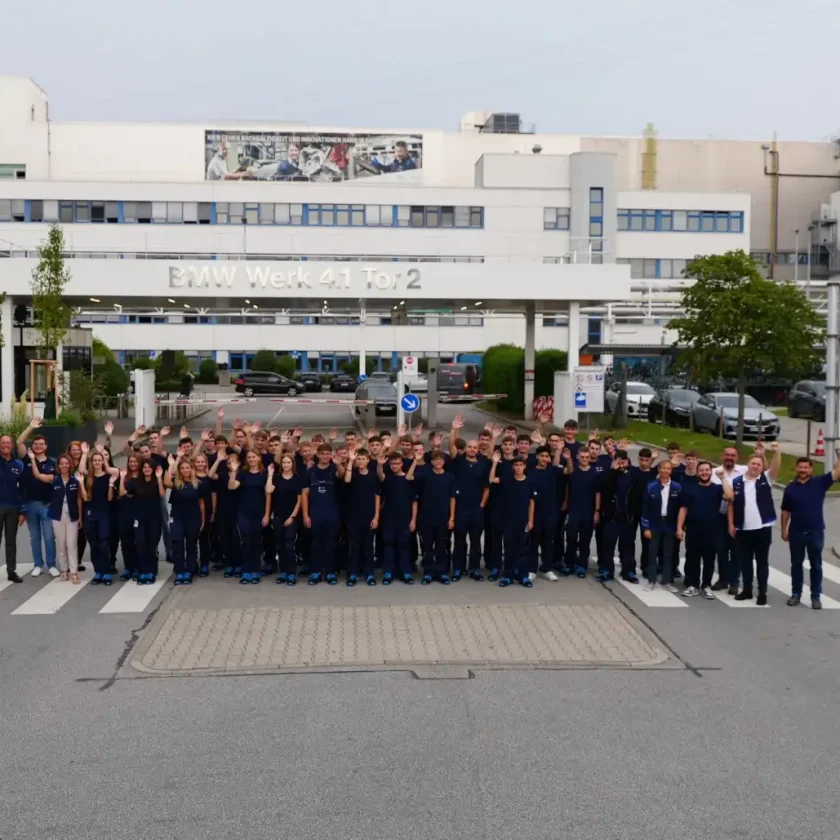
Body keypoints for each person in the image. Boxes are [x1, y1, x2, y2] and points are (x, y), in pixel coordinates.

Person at [780, 452, 840, 609]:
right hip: (796, 532)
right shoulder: (790, 488)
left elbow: (837, 472)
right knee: (796, 564)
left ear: (811, 469)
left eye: (806, 467)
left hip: (815, 532)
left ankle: (815, 596)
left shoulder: (820, 483)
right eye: (800, 467)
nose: (803, 469)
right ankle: (795, 594)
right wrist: (783, 530)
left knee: (816, 565)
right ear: (796, 468)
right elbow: (785, 510)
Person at [728, 443, 782, 605]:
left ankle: (762, 592)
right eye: (753, 463)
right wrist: (731, 524)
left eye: (759, 464)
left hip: (762, 528)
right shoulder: (737, 482)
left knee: (762, 561)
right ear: (748, 465)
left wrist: (776, 452)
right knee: (745, 561)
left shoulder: (765, 479)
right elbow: (731, 503)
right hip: (743, 528)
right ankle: (747, 590)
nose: (756, 466)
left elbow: (775, 467)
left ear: (761, 467)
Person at [676, 462, 732, 598]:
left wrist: (723, 478)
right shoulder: (690, 489)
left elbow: (729, 496)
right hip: (693, 530)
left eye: (707, 470)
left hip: (712, 530)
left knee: (709, 559)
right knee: (692, 558)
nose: (704, 472)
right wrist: (679, 528)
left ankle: (706, 585)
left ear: (711, 472)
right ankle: (693, 585)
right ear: (697, 472)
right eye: (701, 470)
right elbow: (683, 509)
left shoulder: (717, 488)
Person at [449, 416, 491, 581]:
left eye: (475, 447)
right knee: (459, 541)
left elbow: (487, 488)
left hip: (476, 510)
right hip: (460, 508)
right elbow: (452, 445)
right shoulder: (458, 461)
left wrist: (481, 506)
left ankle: (475, 569)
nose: (473, 449)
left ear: (478, 449)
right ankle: (458, 568)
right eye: (470, 447)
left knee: (475, 541)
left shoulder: (482, 466)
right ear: (466, 449)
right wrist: (454, 429)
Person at [29, 452, 81, 584]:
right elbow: (37, 475)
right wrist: (32, 459)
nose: (64, 466)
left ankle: (73, 572)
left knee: (72, 544)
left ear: (70, 465)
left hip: (72, 516)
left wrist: (80, 517)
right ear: (58, 465)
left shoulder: (76, 480)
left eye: (66, 463)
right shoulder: (54, 479)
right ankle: (64, 570)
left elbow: (79, 499)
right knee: (61, 543)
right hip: (57, 515)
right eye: (61, 463)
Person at [16, 418, 57, 577]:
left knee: (48, 537)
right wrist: (30, 427)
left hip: (47, 505)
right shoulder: (26, 459)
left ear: (46, 447)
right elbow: (19, 442)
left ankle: (51, 565)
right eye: (35, 444)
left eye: (41, 444)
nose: (38, 446)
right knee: (34, 538)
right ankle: (38, 564)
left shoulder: (53, 463)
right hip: (30, 504)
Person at [408, 450, 455, 585]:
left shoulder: (449, 477)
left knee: (441, 547)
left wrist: (451, 518)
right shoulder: (424, 475)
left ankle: (441, 572)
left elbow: (452, 499)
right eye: (435, 459)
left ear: (444, 462)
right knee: (427, 547)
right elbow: (409, 477)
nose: (438, 461)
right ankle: (428, 572)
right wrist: (415, 461)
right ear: (432, 462)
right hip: (426, 518)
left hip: (443, 518)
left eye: (441, 459)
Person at [301, 443, 346, 585]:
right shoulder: (310, 471)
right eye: (323, 454)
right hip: (315, 513)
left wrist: (338, 463)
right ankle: (315, 572)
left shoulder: (334, 468)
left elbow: (342, 474)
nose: (325, 456)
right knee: (315, 543)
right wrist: (305, 515)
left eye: (328, 454)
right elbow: (304, 494)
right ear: (318, 455)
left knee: (331, 543)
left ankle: (330, 572)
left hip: (332, 512)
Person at [489, 452, 534, 587]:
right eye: (516, 465)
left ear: (524, 466)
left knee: (523, 549)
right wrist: (495, 463)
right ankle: (508, 575)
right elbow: (492, 479)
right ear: (513, 467)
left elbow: (532, 502)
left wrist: (531, 520)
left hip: (523, 520)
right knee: (508, 548)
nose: (518, 467)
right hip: (508, 520)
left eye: (521, 465)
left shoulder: (529, 482)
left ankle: (523, 575)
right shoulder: (507, 479)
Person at [226, 450, 269, 585]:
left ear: (259, 458)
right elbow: (231, 487)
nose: (251, 459)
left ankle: (255, 570)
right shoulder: (242, 473)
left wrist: (267, 514)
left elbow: (268, 494)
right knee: (245, 541)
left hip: (259, 513)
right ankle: (246, 571)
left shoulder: (264, 473)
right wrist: (233, 472)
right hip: (244, 512)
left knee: (256, 542)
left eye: (254, 457)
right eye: (249, 457)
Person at [79, 447, 119, 585]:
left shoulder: (109, 476)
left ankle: (106, 572)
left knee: (104, 544)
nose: (97, 462)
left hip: (104, 514)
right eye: (94, 460)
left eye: (99, 460)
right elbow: (85, 498)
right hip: (90, 513)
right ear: (92, 462)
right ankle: (98, 572)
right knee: (94, 545)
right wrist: (81, 484)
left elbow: (109, 498)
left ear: (103, 461)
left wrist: (110, 485)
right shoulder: (87, 478)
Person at [711, 446, 748, 593]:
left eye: (732, 455)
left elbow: (764, 472)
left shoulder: (744, 471)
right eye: (727, 455)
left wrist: (762, 456)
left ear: (737, 458)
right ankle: (723, 579)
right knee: (721, 550)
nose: (729, 458)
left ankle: (734, 582)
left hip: (738, 517)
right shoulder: (714, 473)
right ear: (722, 456)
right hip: (719, 516)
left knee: (736, 550)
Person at [641, 460, 682, 592]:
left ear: (671, 471)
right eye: (663, 468)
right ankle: (651, 580)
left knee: (668, 553)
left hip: (669, 524)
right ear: (658, 469)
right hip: (655, 523)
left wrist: (679, 527)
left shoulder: (677, 487)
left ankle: (666, 581)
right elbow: (645, 508)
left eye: (668, 468)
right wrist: (646, 527)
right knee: (652, 552)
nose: (665, 471)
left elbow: (680, 509)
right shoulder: (651, 486)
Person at [165, 452, 206, 585]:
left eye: (188, 468)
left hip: (193, 518)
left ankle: (190, 570)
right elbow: (166, 481)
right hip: (177, 518)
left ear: (192, 469)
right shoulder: (177, 483)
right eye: (182, 468)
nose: (185, 470)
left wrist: (203, 520)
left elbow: (201, 504)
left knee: (191, 544)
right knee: (177, 544)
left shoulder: (198, 484)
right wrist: (174, 463)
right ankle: (179, 571)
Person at [377, 453, 418, 584]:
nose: (395, 466)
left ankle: (405, 572)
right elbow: (380, 474)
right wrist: (379, 463)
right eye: (392, 464)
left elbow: (414, 502)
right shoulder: (388, 479)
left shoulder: (408, 480)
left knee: (404, 546)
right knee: (389, 546)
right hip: (389, 519)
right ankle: (388, 572)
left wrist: (413, 520)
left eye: (397, 463)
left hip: (405, 519)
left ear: (402, 464)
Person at [344, 447, 382, 586]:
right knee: (354, 546)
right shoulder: (352, 473)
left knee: (368, 547)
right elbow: (347, 480)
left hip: (369, 516)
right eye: (358, 459)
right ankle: (353, 574)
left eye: (363, 459)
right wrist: (350, 461)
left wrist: (376, 516)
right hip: (354, 516)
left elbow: (377, 496)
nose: (360, 461)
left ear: (368, 460)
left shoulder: (373, 476)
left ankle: (369, 574)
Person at [597, 449, 636, 583]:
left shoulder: (632, 475)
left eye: (623, 461)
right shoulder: (608, 475)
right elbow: (605, 489)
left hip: (627, 518)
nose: (621, 463)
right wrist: (613, 471)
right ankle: (607, 571)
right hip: (612, 517)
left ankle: (628, 572)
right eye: (618, 460)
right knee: (608, 545)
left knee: (627, 546)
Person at [563, 446, 601, 578]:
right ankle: (569, 565)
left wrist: (596, 511)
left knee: (585, 540)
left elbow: (597, 493)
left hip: (588, 511)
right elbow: (568, 486)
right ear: (577, 457)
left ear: (590, 458)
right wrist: (566, 502)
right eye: (582, 457)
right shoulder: (573, 469)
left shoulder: (595, 473)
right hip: (574, 510)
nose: (584, 459)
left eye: (587, 457)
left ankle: (582, 566)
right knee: (571, 538)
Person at [527, 444, 563, 581]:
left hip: (550, 512)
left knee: (548, 542)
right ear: (537, 457)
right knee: (534, 542)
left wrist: (560, 452)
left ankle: (547, 568)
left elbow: (569, 471)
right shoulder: (530, 472)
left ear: (549, 458)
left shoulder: (553, 471)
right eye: (542, 456)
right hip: (535, 512)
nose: (544, 458)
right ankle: (532, 569)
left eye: (547, 456)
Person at [126, 462, 165, 585]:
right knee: (140, 544)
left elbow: (162, 494)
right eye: (145, 467)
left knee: (151, 545)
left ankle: (151, 571)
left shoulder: (156, 481)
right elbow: (124, 493)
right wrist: (122, 478)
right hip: (140, 518)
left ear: (153, 469)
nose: (147, 469)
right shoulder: (136, 482)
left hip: (154, 518)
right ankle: (143, 571)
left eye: (149, 467)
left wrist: (159, 478)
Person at [266, 454, 301, 586]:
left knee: (289, 545)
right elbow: (269, 490)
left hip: (291, 517)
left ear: (292, 464)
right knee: (280, 545)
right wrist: (270, 474)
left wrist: (292, 517)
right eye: (284, 462)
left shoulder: (297, 479)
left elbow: (299, 501)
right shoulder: (276, 479)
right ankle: (284, 572)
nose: (286, 465)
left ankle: (291, 572)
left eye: (288, 462)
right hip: (278, 517)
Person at [116, 453, 142, 580]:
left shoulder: (143, 477)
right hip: (124, 512)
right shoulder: (125, 476)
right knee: (126, 542)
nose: (132, 464)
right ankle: (128, 567)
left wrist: (129, 493)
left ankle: (138, 567)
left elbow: (139, 494)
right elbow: (121, 493)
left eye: (135, 461)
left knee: (138, 541)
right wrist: (122, 478)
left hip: (138, 512)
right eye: (130, 461)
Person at [193, 452, 215, 577]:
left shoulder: (209, 478)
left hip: (206, 510)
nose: (200, 464)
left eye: (202, 461)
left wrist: (213, 511)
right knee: (192, 538)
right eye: (198, 461)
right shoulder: (190, 477)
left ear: (206, 463)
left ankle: (205, 563)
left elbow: (213, 495)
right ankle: (193, 562)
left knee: (204, 538)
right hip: (192, 510)